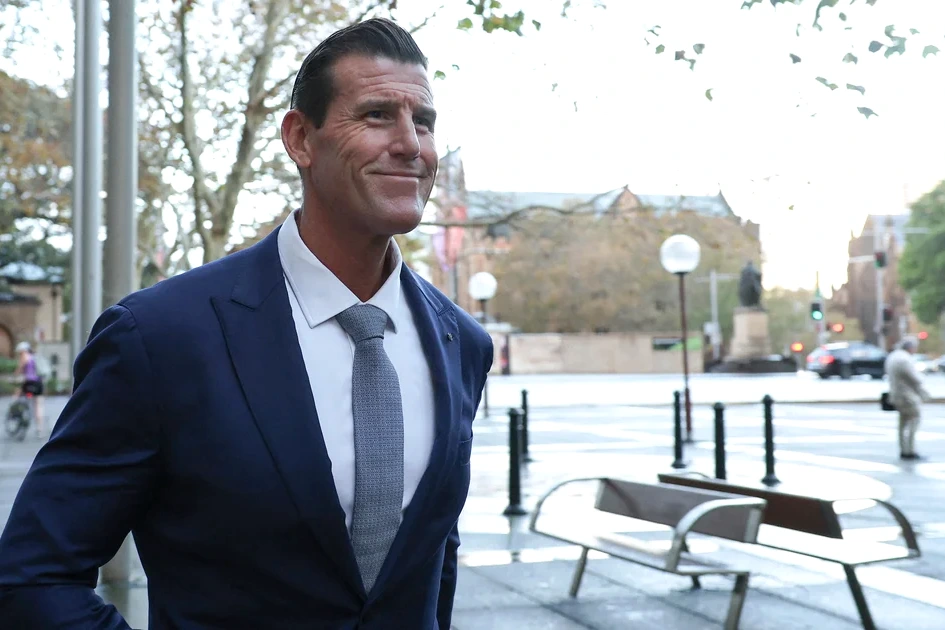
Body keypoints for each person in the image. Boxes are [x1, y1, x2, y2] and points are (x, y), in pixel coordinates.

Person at [0, 18, 492, 629]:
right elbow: (32, 577)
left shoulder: (461, 343)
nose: (411, 144)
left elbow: (431, 558)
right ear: (300, 139)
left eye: (424, 121)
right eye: (376, 116)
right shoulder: (160, 337)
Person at [884, 336, 930, 460]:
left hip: (896, 394)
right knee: (914, 421)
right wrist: (924, 391)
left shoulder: (893, 356)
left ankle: (904, 449)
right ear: (910, 347)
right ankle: (910, 449)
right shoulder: (904, 359)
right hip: (907, 396)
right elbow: (915, 379)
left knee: (902, 424)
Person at [13, 341, 45, 438]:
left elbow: (18, 371)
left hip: (29, 384)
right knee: (38, 405)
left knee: (19, 396)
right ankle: (39, 429)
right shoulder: (35, 357)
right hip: (39, 384)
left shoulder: (24, 357)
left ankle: (22, 414)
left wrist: (15, 375)